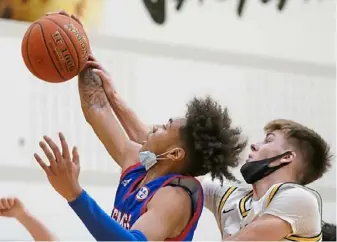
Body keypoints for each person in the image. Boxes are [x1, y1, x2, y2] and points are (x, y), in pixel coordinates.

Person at [33, 12, 247, 240]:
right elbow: (98, 109)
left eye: (165, 127)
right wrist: (80, 50)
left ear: (174, 153)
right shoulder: (138, 164)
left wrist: (75, 195)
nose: (154, 127)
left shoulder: (175, 198)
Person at [93, 66, 333, 240]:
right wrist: (112, 96)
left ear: (287, 157)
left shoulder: (299, 200)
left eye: (268, 140)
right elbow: (167, 150)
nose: (255, 145)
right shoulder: (232, 196)